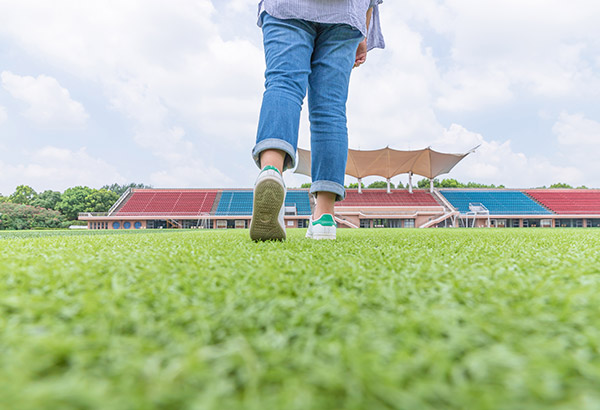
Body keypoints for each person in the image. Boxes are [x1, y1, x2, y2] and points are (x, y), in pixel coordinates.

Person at [250, 0, 384, 241]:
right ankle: (324, 217)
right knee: (330, 109)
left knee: (283, 84)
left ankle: (270, 171)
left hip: (288, 7)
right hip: (346, 15)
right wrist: (363, 34)